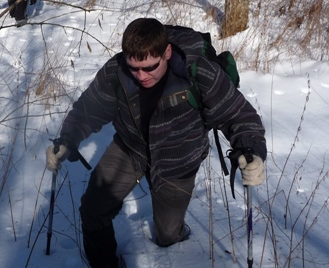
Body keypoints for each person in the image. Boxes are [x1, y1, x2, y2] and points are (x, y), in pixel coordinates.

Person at [45, 18, 267, 268]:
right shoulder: (116, 72)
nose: (141, 76)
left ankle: (175, 234)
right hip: (130, 149)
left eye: (150, 67)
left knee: (168, 236)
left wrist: (252, 150)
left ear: (167, 52)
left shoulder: (198, 71)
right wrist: (68, 138)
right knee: (92, 211)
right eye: (134, 68)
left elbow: (238, 114)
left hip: (178, 160)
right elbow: (88, 110)